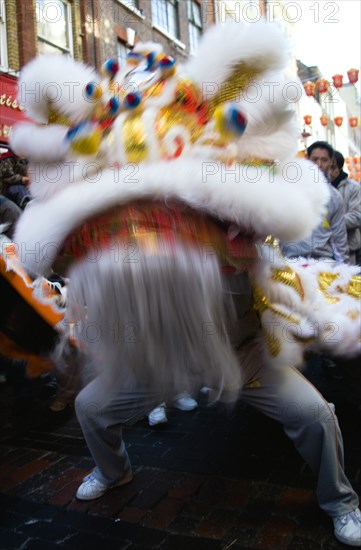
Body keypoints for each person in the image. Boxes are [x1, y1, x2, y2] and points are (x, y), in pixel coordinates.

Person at [281, 141, 349, 264]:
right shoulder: (289, 189)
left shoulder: (334, 197)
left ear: (331, 162)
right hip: (292, 263)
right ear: (307, 159)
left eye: (324, 160)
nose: (319, 164)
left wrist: (344, 270)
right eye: (315, 159)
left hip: (324, 265)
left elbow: (339, 240)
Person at [329, 150, 361, 265]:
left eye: (332, 167)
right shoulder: (320, 188)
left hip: (348, 248)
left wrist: (331, 221)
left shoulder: (353, 188)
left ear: (340, 167)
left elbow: (357, 216)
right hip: (324, 250)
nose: (329, 171)